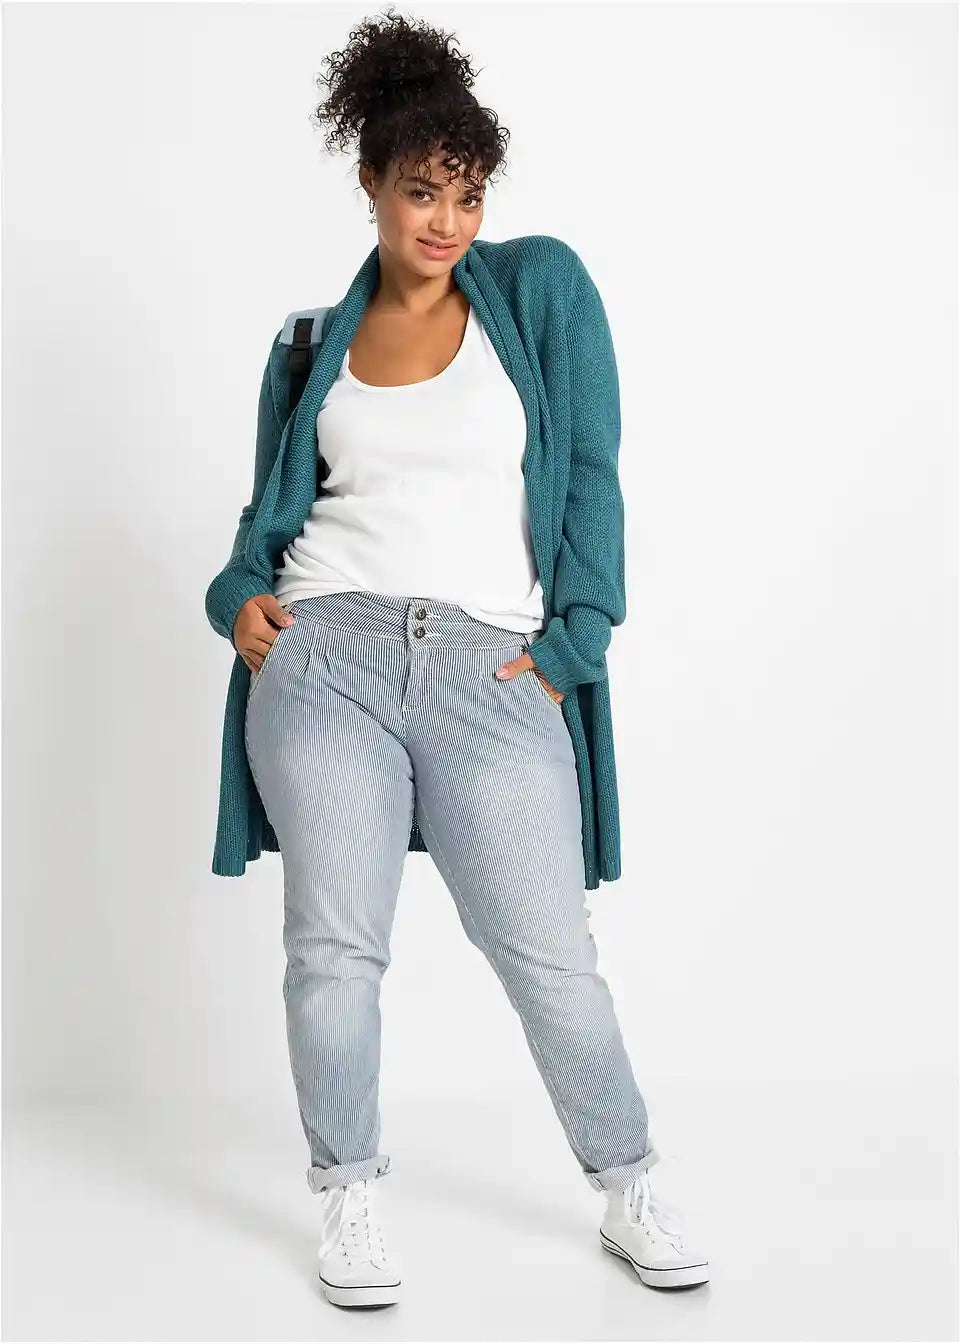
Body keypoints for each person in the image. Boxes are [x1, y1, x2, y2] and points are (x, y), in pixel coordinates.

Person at [204, 8, 709, 1308]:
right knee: (334, 949)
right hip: (327, 659)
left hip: (490, 665)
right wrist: (239, 601)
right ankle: (349, 1195)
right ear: (372, 181)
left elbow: (588, 472)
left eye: (468, 194)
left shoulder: (540, 293)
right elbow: (267, 523)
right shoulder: (308, 344)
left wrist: (576, 641)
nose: (446, 220)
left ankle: (629, 1181)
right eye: (422, 191)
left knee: (547, 952)